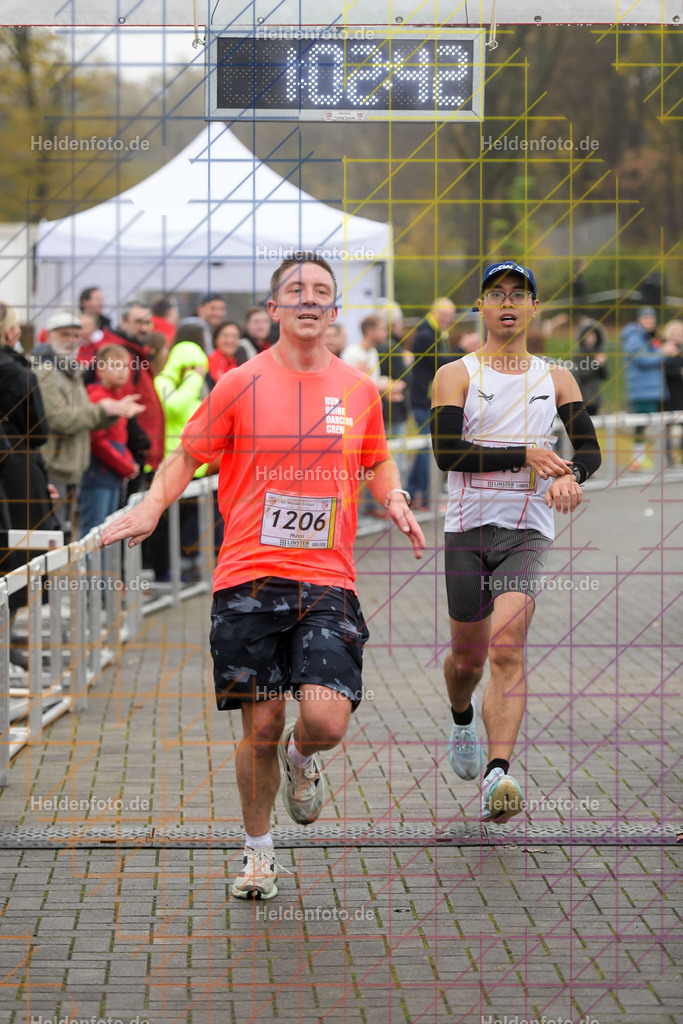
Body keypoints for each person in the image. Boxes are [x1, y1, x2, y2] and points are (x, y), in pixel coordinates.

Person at [100, 252, 425, 900]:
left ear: (333, 310)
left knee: (326, 721)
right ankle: (258, 854)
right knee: (261, 727)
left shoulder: (357, 389)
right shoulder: (238, 384)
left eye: (321, 291)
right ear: (274, 307)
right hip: (247, 576)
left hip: (327, 577)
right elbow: (184, 457)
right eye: (295, 289)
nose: (308, 298)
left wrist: (391, 496)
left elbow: (377, 459)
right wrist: (149, 505)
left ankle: (304, 762)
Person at [430, 260, 601, 823]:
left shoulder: (557, 379)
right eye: (495, 293)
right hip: (466, 530)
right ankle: (461, 717)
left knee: (506, 647)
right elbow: (447, 454)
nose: (507, 302)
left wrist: (570, 477)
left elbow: (589, 451)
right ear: (480, 307)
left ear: (533, 308)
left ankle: (497, 775)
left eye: (518, 294)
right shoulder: (455, 374)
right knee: (467, 660)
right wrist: (524, 454)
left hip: (526, 531)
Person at [32, 311, 143, 539]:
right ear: (49, 336)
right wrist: (104, 410)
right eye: (65, 334)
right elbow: (59, 419)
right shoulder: (45, 372)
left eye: (76, 334)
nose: (72, 340)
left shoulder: (71, 372)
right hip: (55, 468)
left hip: (72, 468)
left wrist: (113, 411)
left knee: (68, 534)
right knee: (58, 537)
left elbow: (86, 420)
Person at [0, 303, 59, 607]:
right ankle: (6, 642)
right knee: (20, 560)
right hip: (17, 473)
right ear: (10, 332)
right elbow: (39, 429)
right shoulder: (16, 372)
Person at [343, 315, 406, 517]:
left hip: (371, 416)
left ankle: (369, 508)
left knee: (373, 463)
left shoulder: (371, 352)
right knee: (358, 467)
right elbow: (351, 385)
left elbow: (371, 382)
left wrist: (388, 390)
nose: (385, 333)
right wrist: (385, 386)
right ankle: (356, 513)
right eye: (381, 328)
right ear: (369, 331)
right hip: (355, 420)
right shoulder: (353, 353)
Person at [80, 345, 140, 537]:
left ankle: (104, 568)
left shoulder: (118, 397)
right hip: (99, 472)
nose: (122, 371)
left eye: (125, 366)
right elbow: (97, 441)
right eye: (115, 365)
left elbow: (119, 439)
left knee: (108, 529)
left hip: (112, 472)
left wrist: (128, 460)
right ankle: (92, 569)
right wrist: (125, 465)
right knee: (94, 531)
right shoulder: (98, 397)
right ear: (100, 370)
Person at [407, 297, 459, 510]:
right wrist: (461, 350)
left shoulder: (436, 332)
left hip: (430, 399)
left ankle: (419, 496)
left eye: (451, 317)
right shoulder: (426, 335)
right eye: (445, 316)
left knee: (426, 449)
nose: (448, 320)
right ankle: (420, 496)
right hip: (423, 401)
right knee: (427, 449)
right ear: (434, 313)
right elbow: (442, 364)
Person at [104, 301, 165, 477]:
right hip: (127, 452)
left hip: (137, 450)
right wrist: (138, 444)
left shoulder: (135, 352)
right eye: (139, 322)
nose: (144, 328)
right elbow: (120, 401)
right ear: (123, 322)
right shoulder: (120, 354)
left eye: (148, 323)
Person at [621, 306, 675, 471]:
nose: (649, 322)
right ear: (639, 320)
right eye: (645, 318)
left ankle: (645, 458)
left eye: (651, 319)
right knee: (641, 425)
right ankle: (637, 459)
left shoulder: (649, 338)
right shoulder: (634, 339)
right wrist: (665, 352)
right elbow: (644, 360)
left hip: (653, 390)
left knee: (649, 425)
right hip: (641, 390)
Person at [572, 319, 609, 416]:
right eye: (588, 335)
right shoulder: (578, 355)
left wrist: (603, 364)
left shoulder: (598, 353)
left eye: (593, 336)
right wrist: (595, 363)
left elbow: (604, 376)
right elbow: (580, 374)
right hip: (582, 398)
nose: (591, 339)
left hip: (595, 399)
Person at [663, 320, 683, 466]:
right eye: (674, 333)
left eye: (679, 333)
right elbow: (664, 369)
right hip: (668, 392)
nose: (677, 336)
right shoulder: (664, 349)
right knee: (667, 426)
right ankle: (669, 459)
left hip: (681, 392)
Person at [208, 320, 242, 385]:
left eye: (234, 336)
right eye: (226, 336)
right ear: (216, 339)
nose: (230, 341)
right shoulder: (214, 359)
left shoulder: (236, 361)